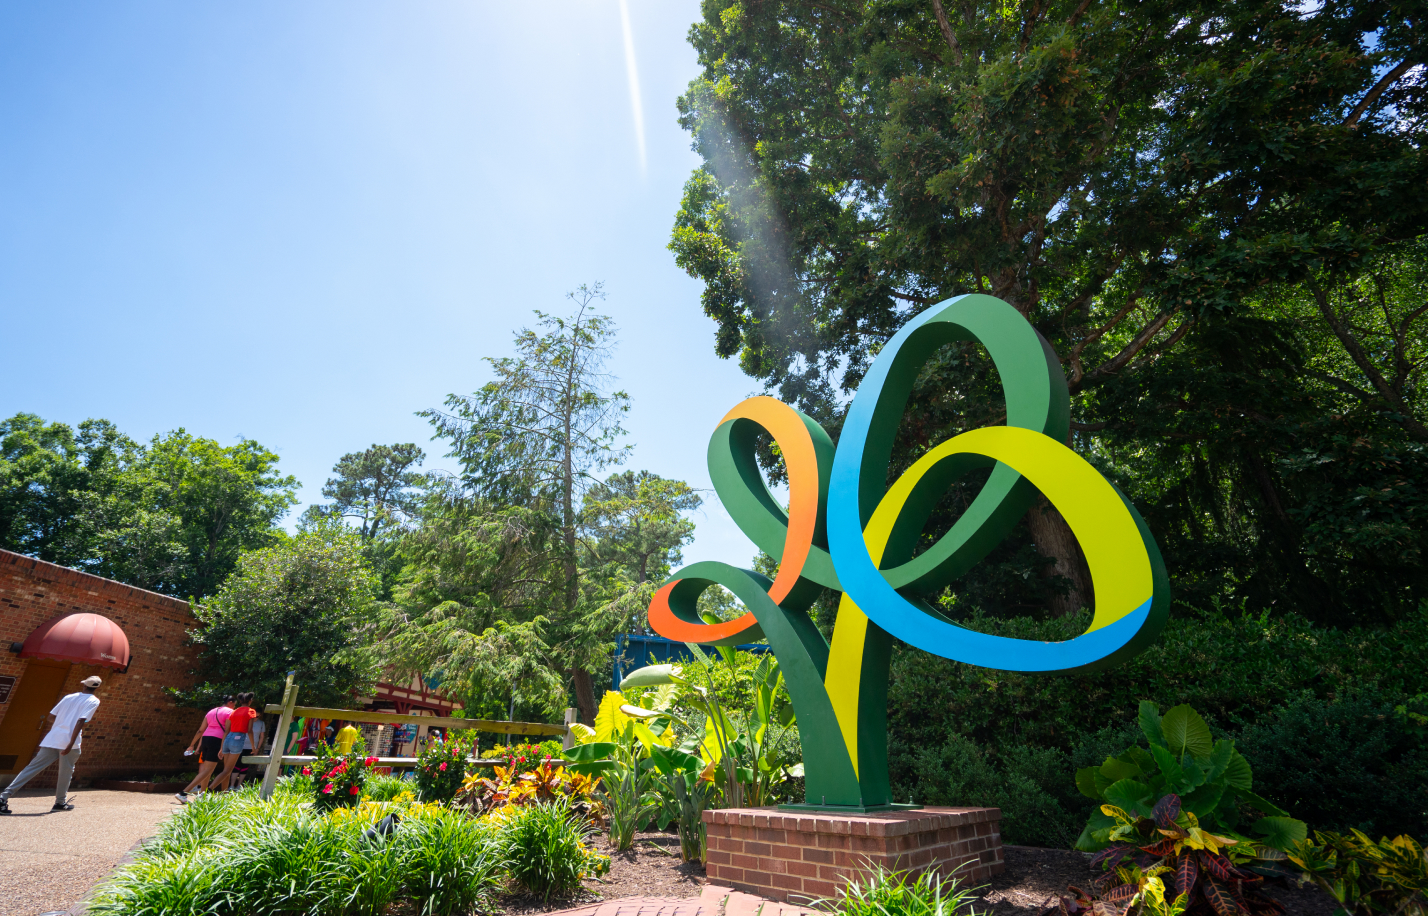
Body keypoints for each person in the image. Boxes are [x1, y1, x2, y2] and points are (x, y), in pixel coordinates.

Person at [0, 675, 103, 814]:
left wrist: (60, 725)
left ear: (84, 685)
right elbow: (81, 721)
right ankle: (60, 802)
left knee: (31, 768)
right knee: (65, 773)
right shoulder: (93, 701)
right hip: (69, 742)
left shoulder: (68, 697)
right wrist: (70, 743)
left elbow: (50, 717)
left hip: (52, 738)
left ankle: (4, 796)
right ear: (96, 688)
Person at [176, 696, 235, 803]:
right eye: (234, 704)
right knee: (208, 770)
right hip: (217, 740)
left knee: (207, 770)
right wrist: (222, 747)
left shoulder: (211, 711)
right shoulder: (230, 712)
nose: (234, 706)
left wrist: (192, 745)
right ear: (230, 702)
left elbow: (200, 730)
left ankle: (202, 797)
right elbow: (227, 730)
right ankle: (183, 793)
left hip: (206, 739)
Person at [214, 693, 257, 791]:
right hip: (238, 739)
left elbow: (227, 730)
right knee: (227, 771)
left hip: (228, 738)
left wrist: (221, 748)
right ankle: (208, 790)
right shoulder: (251, 711)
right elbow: (250, 730)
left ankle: (223, 793)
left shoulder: (234, 711)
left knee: (227, 770)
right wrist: (253, 746)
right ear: (250, 701)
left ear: (240, 701)